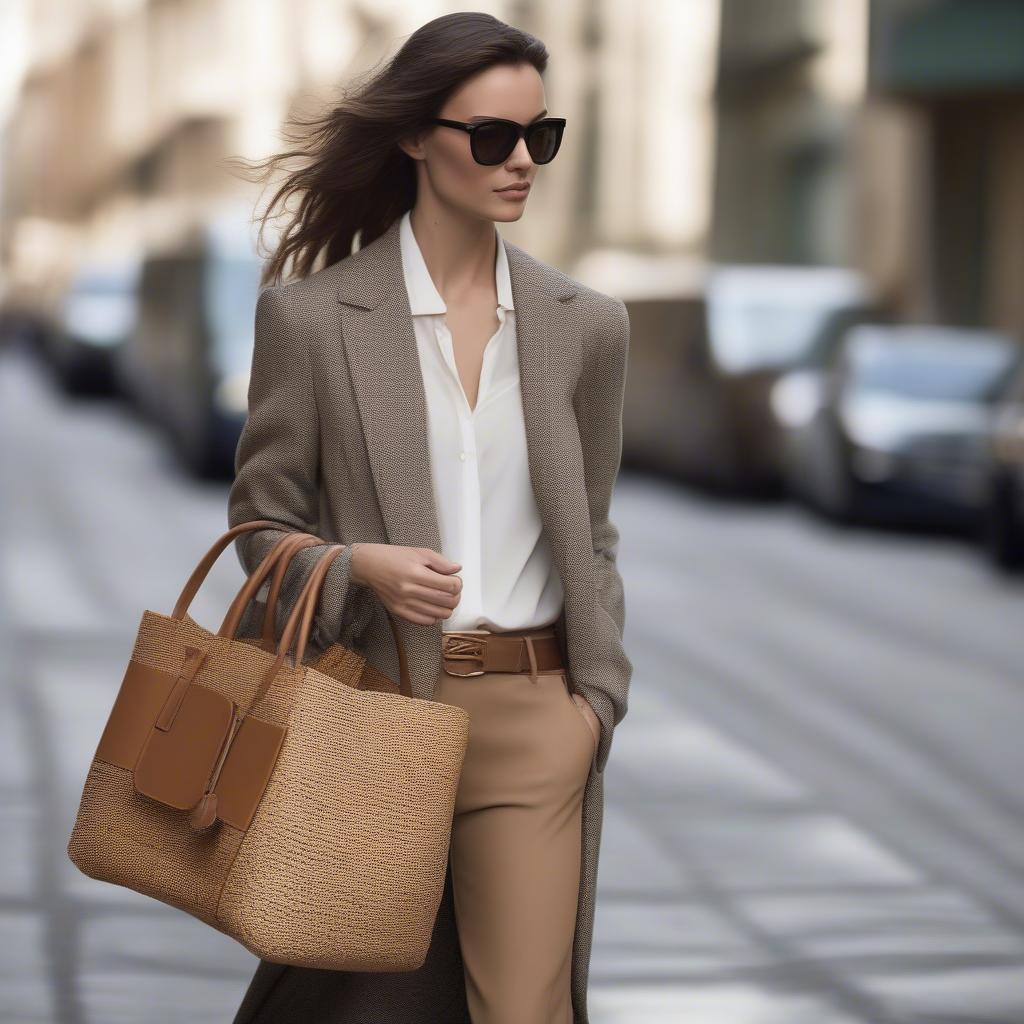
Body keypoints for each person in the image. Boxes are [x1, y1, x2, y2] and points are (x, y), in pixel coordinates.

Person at [226, 12, 632, 1024]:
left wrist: (596, 698)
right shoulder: (313, 320)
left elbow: (591, 531)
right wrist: (358, 564)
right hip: (377, 706)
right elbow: (259, 525)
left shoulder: (586, 326)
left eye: (539, 137)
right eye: (489, 137)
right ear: (414, 137)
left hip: (539, 716)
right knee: (353, 996)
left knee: (523, 1010)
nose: (519, 164)